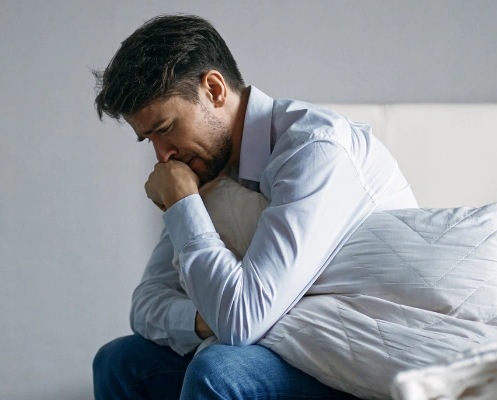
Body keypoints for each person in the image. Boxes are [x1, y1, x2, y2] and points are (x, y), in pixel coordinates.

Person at [92, 14, 417, 399]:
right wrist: (202, 320)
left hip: (357, 354)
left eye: (165, 129)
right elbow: (146, 303)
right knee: (118, 361)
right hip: (284, 343)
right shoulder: (207, 165)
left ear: (213, 89)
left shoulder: (315, 150)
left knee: (219, 370)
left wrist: (182, 204)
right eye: (148, 140)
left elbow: (240, 322)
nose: (163, 157)